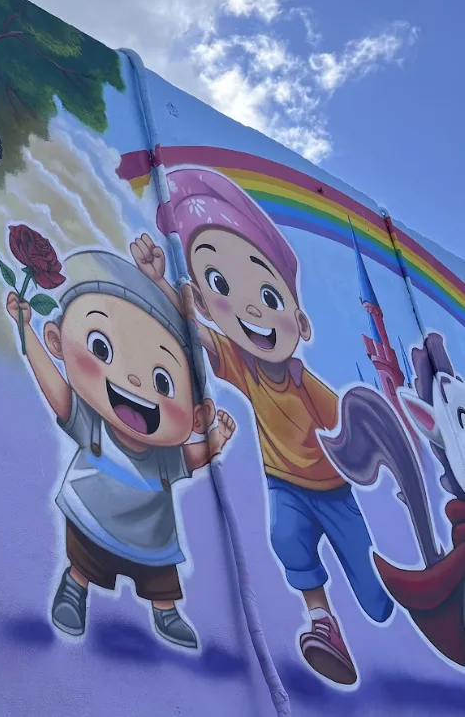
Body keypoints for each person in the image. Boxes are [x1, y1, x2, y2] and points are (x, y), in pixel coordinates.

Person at [132, 166, 393, 685]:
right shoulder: (244, 363)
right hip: (285, 484)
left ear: (302, 322)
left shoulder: (306, 382)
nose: (250, 307)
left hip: (334, 490)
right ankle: (323, 623)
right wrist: (160, 279)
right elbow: (198, 334)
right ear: (208, 301)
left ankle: (379, 602)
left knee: (374, 593)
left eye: (270, 299)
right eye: (221, 286)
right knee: (284, 538)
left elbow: (349, 429)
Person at [6, 248, 235, 649]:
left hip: (152, 536)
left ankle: (165, 612)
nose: (131, 378)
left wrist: (213, 444)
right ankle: (74, 590)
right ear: (59, 341)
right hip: (92, 517)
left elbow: (189, 460)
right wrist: (25, 328)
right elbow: (56, 390)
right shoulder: (93, 424)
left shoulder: (165, 453)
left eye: (164, 382)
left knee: (160, 579)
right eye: (102, 348)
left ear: (196, 417)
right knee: (84, 563)